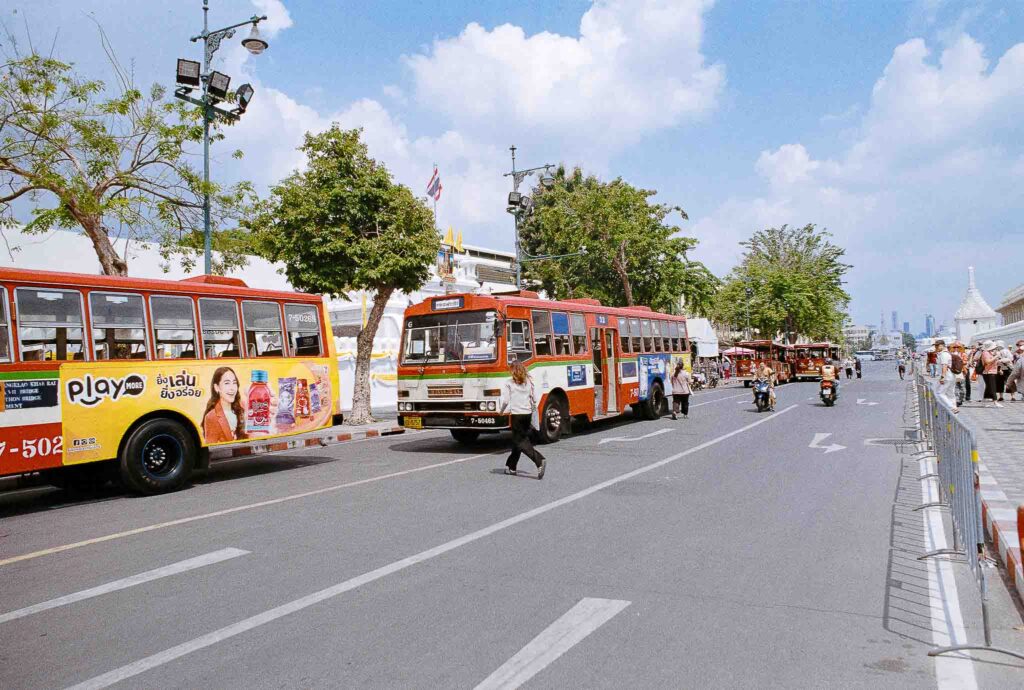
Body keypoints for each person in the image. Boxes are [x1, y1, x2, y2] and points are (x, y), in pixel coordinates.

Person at [499, 361, 546, 478]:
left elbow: (505, 401)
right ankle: (512, 467)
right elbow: (535, 398)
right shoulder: (528, 382)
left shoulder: (509, 383)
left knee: (520, 441)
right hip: (527, 414)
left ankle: (539, 460)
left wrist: (501, 411)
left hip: (517, 415)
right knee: (518, 440)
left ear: (512, 371)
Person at [203, 367, 247, 442]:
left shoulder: (243, 407)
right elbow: (211, 446)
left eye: (234, 383)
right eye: (227, 383)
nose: (232, 388)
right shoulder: (211, 417)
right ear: (217, 387)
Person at [935, 340, 957, 413]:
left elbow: (944, 366)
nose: (936, 347)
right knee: (951, 393)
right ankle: (954, 408)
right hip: (951, 375)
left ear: (942, 345)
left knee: (940, 393)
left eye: (937, 345)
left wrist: (943, 377)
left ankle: (952, 407)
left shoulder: (944, 354)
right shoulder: (947, 353)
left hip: (947, 375)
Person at [979, 340, 1000, 405]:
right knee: (992, 387)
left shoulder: (989, 352)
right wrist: (996, 356)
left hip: (992, 371)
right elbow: (987, 361)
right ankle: (995, 401)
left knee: (989, 387)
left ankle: (985, 401)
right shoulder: (985, 353)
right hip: (988, 372)